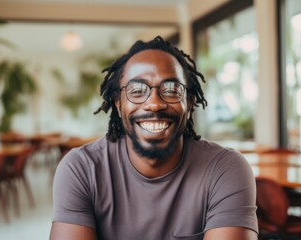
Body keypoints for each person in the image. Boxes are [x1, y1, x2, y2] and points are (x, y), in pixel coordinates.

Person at [50, 36, 258, 240]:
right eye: (137, 90)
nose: (154, 104)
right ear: (118, 104)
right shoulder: (81, 169)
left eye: (171, 90)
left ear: (190, 102)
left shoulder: (225, 169)